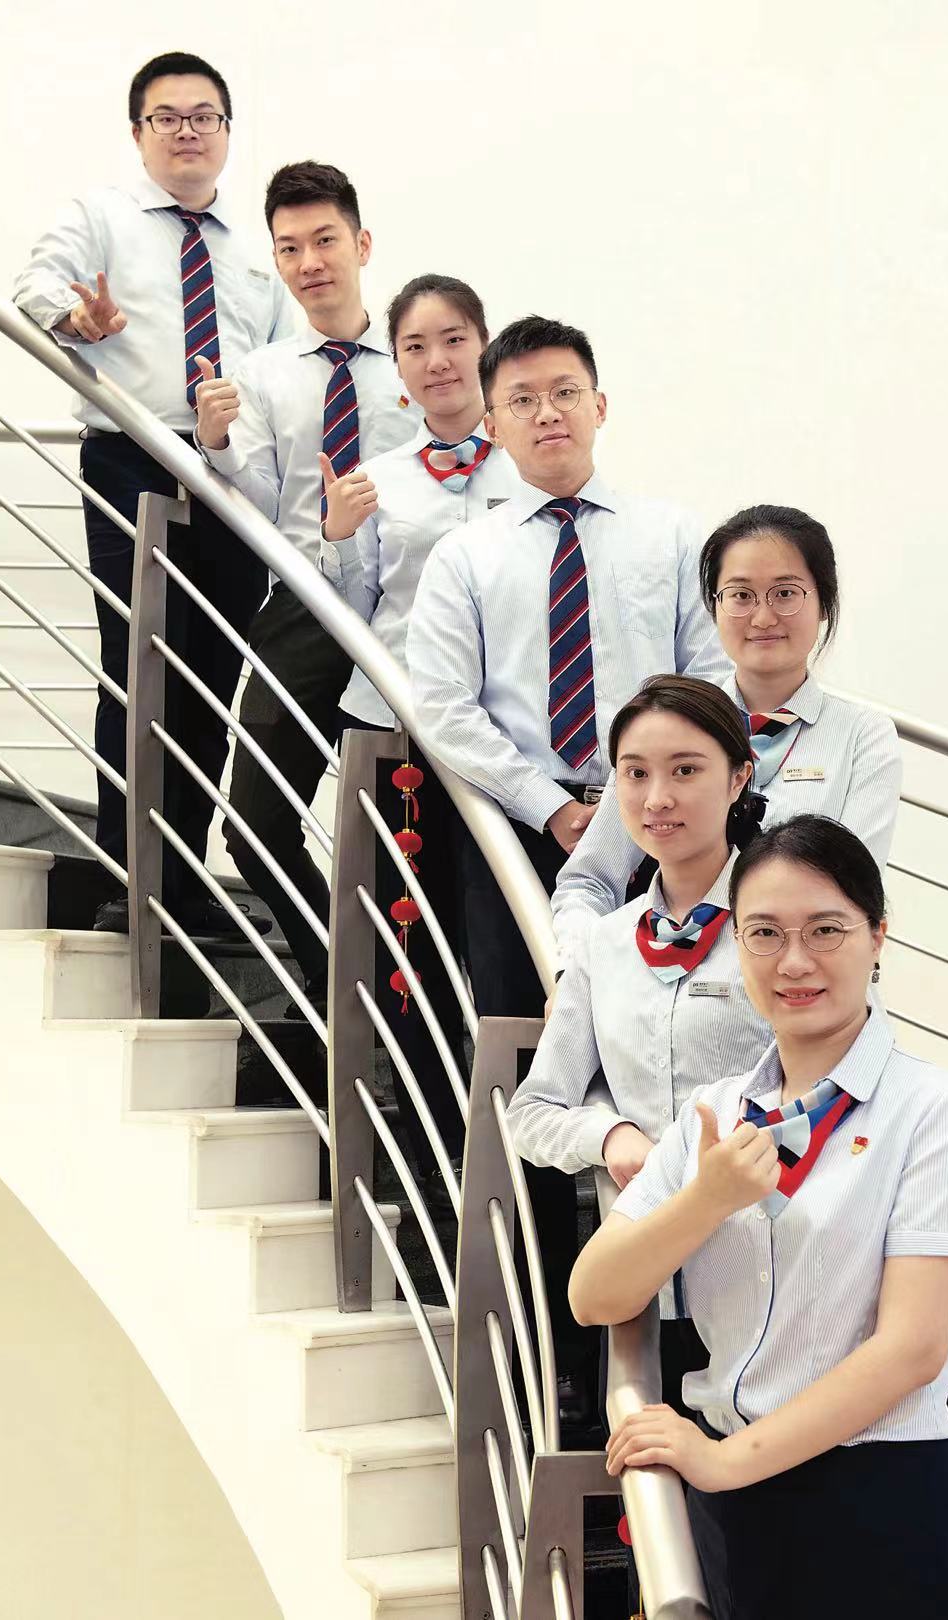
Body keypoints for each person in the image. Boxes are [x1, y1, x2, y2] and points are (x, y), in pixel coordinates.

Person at [571, 815, 948, 1620]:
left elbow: (911, 1349)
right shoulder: (714, 1114)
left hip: (876, 1497)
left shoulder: (936, 1111)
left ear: (878, 935)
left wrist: (725, 1461)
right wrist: (706, 1199)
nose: (794, 961)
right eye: (765, 933)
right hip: (729, 1506)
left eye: (826, 930)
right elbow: (594, 1295)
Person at [13, 51, 293, 932]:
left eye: (204, 116)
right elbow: (33, 286)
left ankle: (182, 877)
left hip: (228, 473)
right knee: (137, 667)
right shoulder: (100, 214)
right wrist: (77, 319)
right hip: (133, 458)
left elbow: (283, 369)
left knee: (210, 682)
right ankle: (125, 871)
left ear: (226, 132)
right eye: (167, 117)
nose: (187, 131)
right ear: (139, 132)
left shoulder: (254, 252)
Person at [406, 313, 730, 1020]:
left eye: (564, 392)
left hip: (657, 819)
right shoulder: (464, 556)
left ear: (599, 406)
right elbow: (442, 705)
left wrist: (634, 800)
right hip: (514, 823)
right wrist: (547, 807)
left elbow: (710, 680)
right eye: (522, 400)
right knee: (521, 1024)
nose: (547, 413)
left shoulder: (673, 536)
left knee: (664, 1022)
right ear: (493, 425)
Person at [508, 675, 773, 1412]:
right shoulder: (604, 945)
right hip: (648, 1279)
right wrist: (609, 1135)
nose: (657, 798)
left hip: (773, 1277)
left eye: (685, 770)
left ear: (738, 778)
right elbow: (532, 1112)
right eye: (635, 773)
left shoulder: (781, 924)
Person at [194, 161, 420, 1015]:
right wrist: (216, 442)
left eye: (325, 240)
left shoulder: (418, 360)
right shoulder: (261, 373)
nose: (309, 262)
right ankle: (341, 976)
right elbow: (256, 497)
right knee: (253, 821)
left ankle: (409, 1003)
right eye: (289, 248)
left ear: (362, 244)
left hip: (409, 615)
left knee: (406, 837)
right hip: (306, 605)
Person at [319, 272, 522, 1195]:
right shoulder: (379, 480)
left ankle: (512, 1150)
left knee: (498, 945)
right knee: (410, 949)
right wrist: (337, 534)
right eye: (415, 347)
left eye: (453, 339)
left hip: (507, 746)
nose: (437, 361)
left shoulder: (529, 470)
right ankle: (435, 1145)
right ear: (397, 370)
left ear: (483, 346)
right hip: (397, 741)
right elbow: (353, 609)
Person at [552, 504, 903, 965]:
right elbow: (589, 880)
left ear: (824, 602)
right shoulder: (667, 719)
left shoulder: (863, 737)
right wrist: (576, 972)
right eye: (740, 595)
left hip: (795, 978)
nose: (763, 617)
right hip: (665, 977)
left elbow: (850, 891)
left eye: (785, 593)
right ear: (714, 606)